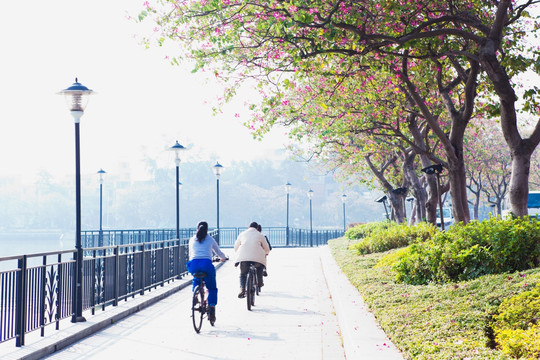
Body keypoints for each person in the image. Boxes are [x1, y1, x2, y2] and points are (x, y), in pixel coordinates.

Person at [187, 221, 227, 323]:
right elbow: (219, 253)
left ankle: (195, 295)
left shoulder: (192, 239)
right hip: (206, 264)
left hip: (193, 264)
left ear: (197, 229)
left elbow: (190, 254)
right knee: (212, 288)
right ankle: (212, 307)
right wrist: (224, 258)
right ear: (207, 230)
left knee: (196, 278)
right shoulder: (210, 239)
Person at [234, 221, 271, 298]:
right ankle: (260, 281)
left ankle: (242, 289)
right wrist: (266, 253)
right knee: (259, 267)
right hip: (257, 259)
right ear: (257, 228)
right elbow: (267, 248)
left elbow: (236, 247)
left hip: (244, 258)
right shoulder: (260, 235)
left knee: (243, 274)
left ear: (248, 227)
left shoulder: (242, 234)